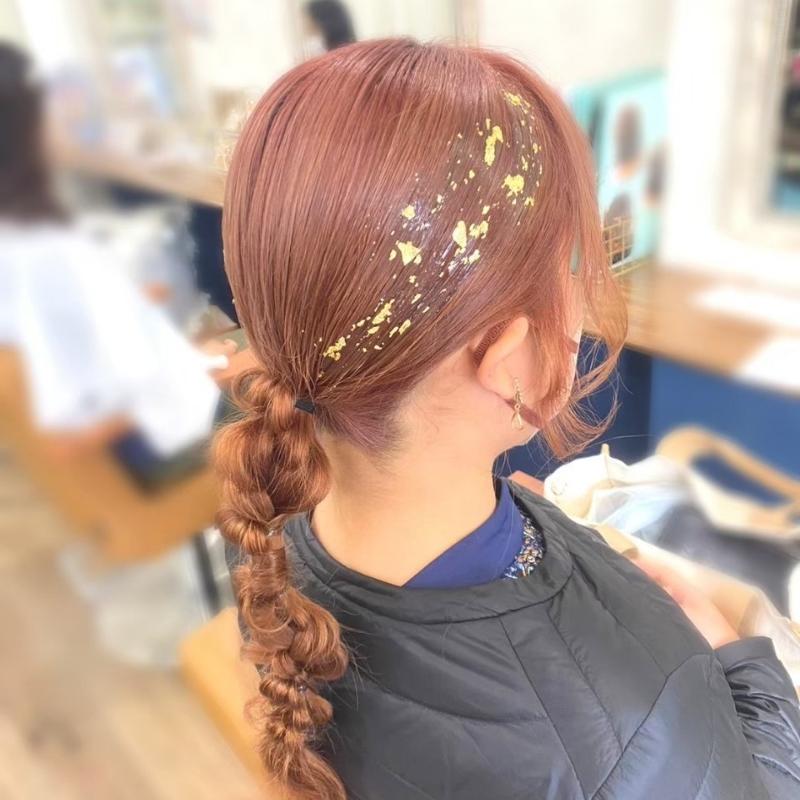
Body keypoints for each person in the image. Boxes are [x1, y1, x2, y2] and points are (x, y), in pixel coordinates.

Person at [217, 39, 800, 800]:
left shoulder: (276, 532)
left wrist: (525, 527)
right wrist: (741, 665)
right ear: (506, 359)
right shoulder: (632, 729)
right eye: (568, 269)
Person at [0, 41, 231, 487]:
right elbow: (68, 435)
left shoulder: (28, 247)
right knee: (294, 391)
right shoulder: (39, 256)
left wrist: (130, 309)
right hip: (159, 446)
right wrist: (194, 366)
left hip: (143, 400)